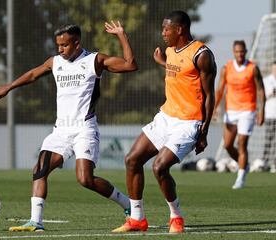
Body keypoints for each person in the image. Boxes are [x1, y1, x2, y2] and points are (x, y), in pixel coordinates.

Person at [0, 21, 137, 232]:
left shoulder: (94, 60)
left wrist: (121, 35)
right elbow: (33, 74)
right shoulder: (55, 62)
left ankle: (128, 205)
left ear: (76, 43)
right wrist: (9, 86)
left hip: (84, 128)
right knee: (40, 170)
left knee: (85, 179)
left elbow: (130, 65)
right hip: (60, 130)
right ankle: (36, 222)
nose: (60, 49)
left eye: (64, 45)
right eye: (58, 45)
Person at [112, 10, 216, 234]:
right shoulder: (170, 51)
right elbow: (180, 71)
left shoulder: (202, 54)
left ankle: (176, 216)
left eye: (166, 29)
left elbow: (209, 96)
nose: (163, 33)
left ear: (179, 29)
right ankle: (137, 219)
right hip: (166, 117)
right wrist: (163, 62)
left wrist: (204, 132)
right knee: (132, 160)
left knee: (160, 167)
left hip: (189, 122)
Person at [214, 40, 265, 189]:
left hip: (248, 110)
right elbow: (219, 90)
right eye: (237, 51)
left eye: (242, 51)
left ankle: (240, 177)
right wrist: (214, 109)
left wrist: (261, 110)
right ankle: (244, 164)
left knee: (242, 143)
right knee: (228, 145)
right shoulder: (227, 68)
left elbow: (261, 90)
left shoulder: (253, 68)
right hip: (231, 111)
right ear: (233, 52)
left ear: (246, 51)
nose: (240, 54)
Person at [262, 61, 276, 173]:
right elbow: (262, 96)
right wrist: (272, 93)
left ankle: (274, 163)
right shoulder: (266, 81)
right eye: (274, 69)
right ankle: (264, 161)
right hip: (270, 115)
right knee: (269, 139)